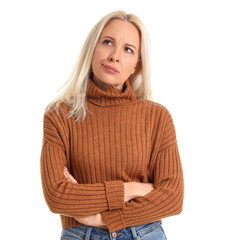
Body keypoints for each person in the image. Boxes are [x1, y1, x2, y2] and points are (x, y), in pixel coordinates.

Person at [40, 10, 184, 240]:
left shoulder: (157, 117)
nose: (115, 56)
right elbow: (57, 195)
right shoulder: (60, 115)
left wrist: (103, 219)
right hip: (82, 234)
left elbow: (173, 198)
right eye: (108, 42)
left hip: (145, 233)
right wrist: (132, 189)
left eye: (128, 49)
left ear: (136, 65)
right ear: (92, 48)